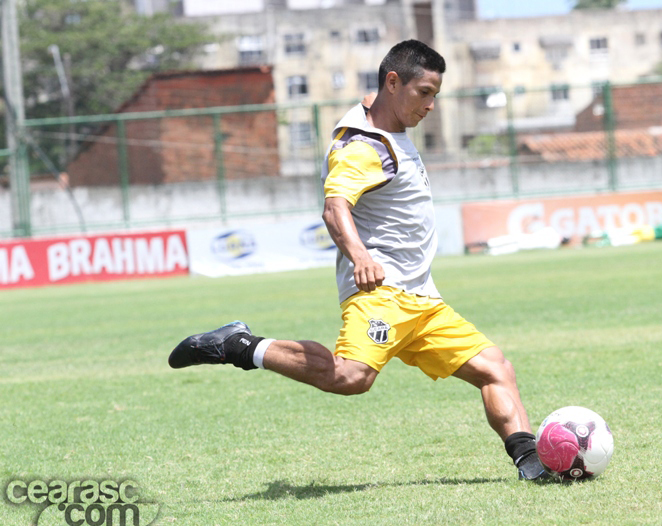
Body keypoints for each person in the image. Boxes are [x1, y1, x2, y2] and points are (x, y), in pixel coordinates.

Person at [168, 40, 545, 481]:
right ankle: (238, 345)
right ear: (392, 82)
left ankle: (533, 463)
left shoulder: (384, 127)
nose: (431, 105)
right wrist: (360, 254)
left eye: (436, 95)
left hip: (422, 297)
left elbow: (368, 124)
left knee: (495, 369)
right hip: (381, 293)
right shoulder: (365, 147)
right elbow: (334, 207)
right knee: (351, 377)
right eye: (424, 92)